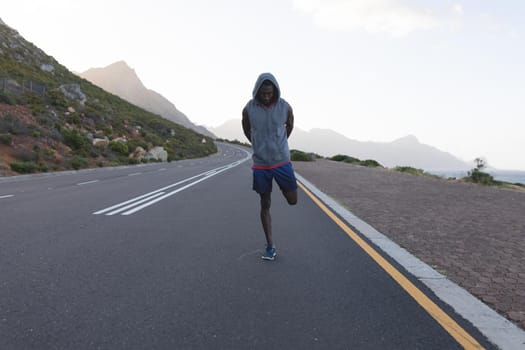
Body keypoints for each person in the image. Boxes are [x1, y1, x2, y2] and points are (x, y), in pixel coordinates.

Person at [242, 72, 298, 261]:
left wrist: (279, 144)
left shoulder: (285, 107)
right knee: (265, 203)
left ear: (275, 91)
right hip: (261, 164)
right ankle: (270, 246)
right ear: (257, 91)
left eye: (270, 93)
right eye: (263, 93)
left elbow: (289, 126)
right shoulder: (249, 109)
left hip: (281, 161)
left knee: (292, 200)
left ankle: (284, 186)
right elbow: (246, 128)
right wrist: (257, 144)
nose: (267, 96)